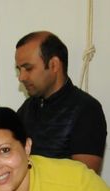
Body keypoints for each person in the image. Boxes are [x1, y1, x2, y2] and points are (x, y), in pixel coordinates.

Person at [15, 31, 107, 174]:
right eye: (19, 69)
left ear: (54, 65)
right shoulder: (28, 107)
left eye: (28, 68)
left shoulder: (87, 109)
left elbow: (85, 183)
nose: (21, 77)